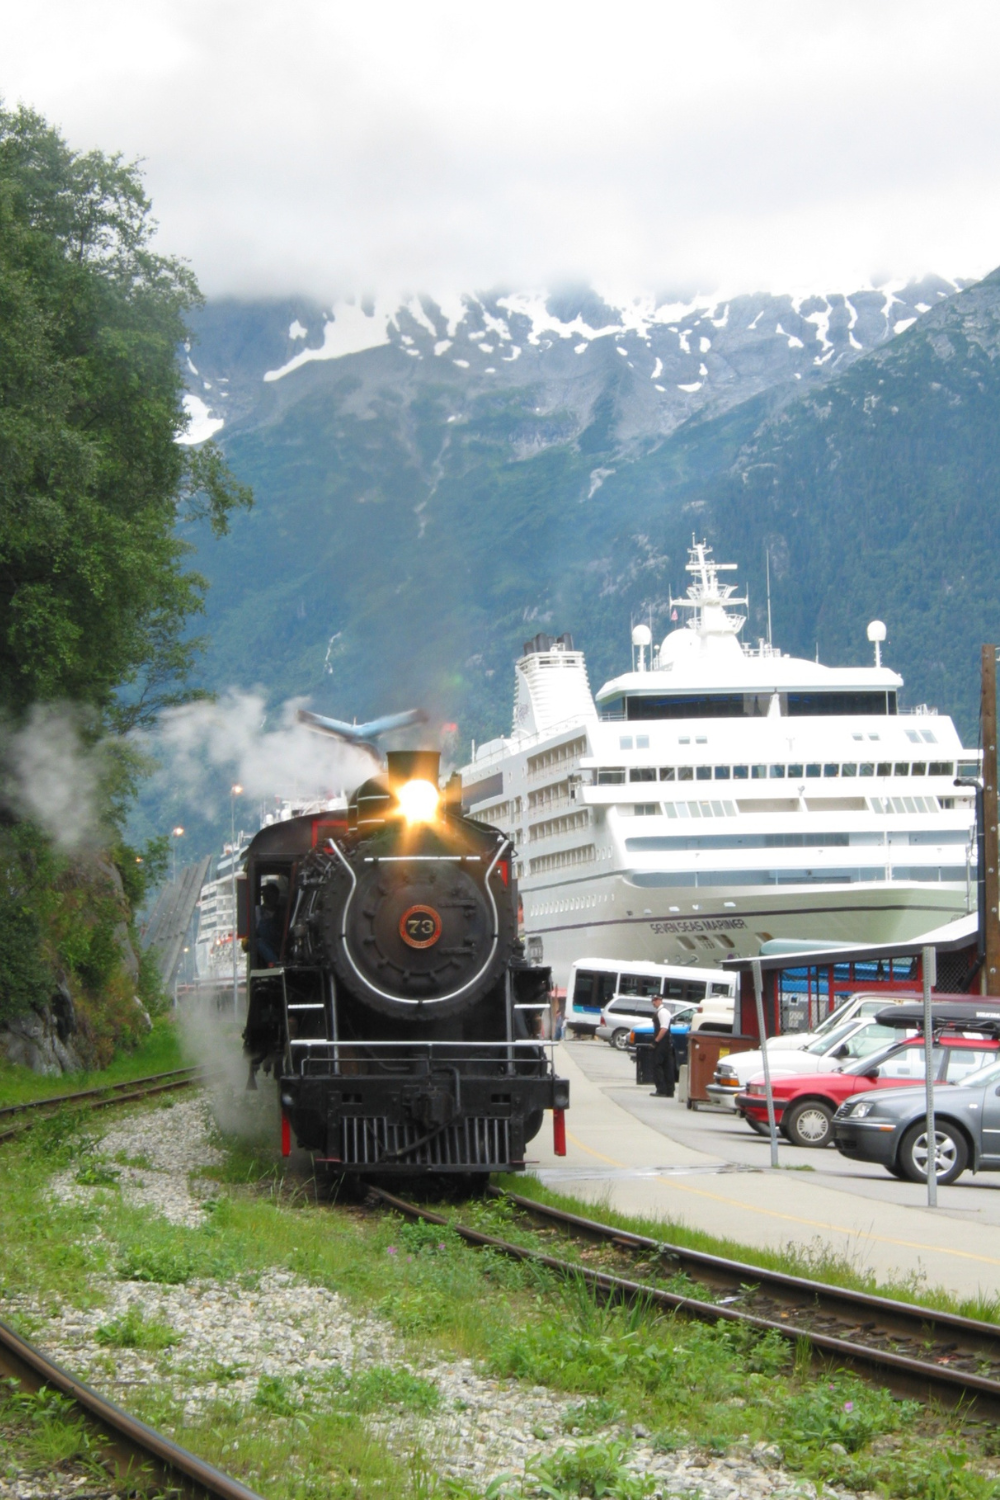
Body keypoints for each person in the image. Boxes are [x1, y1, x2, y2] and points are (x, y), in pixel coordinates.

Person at [651, 996, 677, 1098]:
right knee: (667, 1066)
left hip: (663, 1042)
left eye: (654, 1001)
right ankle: (669, 1090)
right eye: (653, 1001)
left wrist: (655, 1041)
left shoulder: (662, 1012)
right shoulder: (661, 1011)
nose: (653, 1003)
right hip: (665, 1042)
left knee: (657, 1064)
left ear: (659, 1001)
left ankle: (662, 1089)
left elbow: (664, 1028)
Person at [255, 882, 285, 967]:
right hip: (266, 945)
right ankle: (275, 964)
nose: (269, 897)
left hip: (280, 943)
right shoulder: (257, 911)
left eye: (272, 894)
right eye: (267, 894)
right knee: (259, 942)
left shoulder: (282, 912)